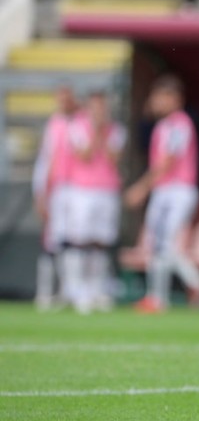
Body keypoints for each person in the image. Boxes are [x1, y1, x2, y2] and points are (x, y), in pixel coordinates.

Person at [125, 76, 199, 313]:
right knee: (158, 244)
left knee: (163, 243)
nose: (155, 101)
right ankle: (192, 284)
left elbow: (167, 161)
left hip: (178, 190)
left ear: (175, 99)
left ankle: (161, 297)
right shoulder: (162, 125)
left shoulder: (180, 124)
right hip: (163, 190)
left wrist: (142, 187)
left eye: (161, 97)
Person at [63, 91, 126, 313]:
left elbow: (113, 158)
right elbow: (84, 155)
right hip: (82, 190)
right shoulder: (77, 127)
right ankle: (77, 290)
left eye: (103, 108)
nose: (100, 112)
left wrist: (103, 132)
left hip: (107, 190)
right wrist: (97, 132)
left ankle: (97, 288)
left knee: (101, 240)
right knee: (80, 239)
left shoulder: (117, 130)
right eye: (96, 108)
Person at [31, 85, 78, 310]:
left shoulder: (80, 123)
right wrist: (41, 193)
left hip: (77, 189)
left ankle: (67, 290)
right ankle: (44, 292)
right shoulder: (54, 126)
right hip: (57, 189)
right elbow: (45, 161)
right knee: (51, 241)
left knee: (71, 241)